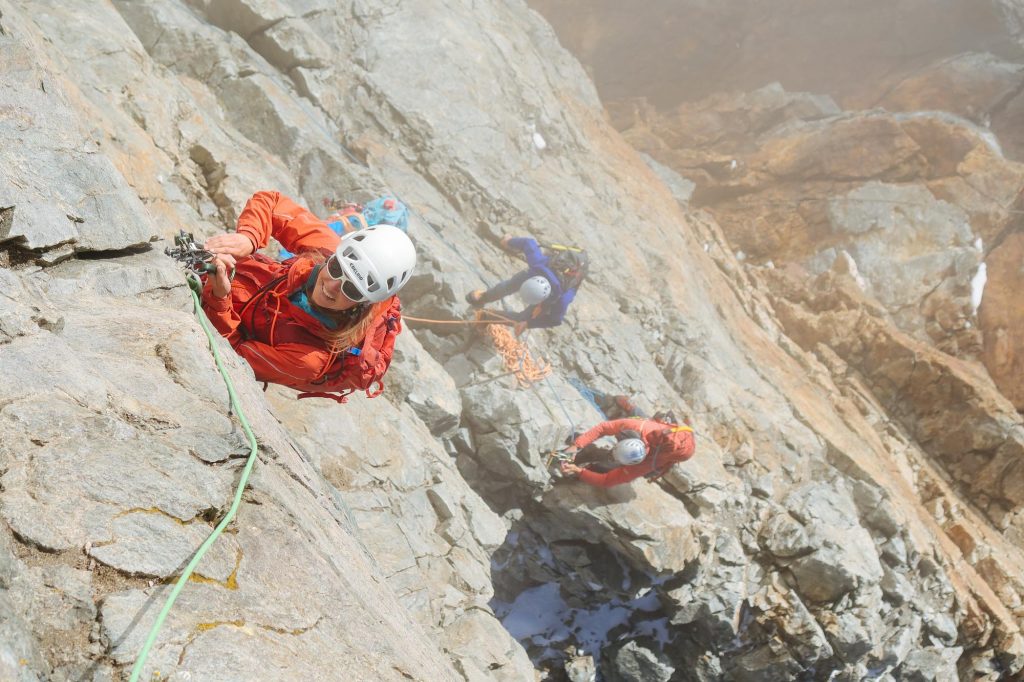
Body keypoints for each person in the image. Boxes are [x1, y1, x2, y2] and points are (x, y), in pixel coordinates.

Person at [200, 190, 416, 402]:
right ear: (335, 256)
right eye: (336, 268)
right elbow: (272, 202)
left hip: (223, 311)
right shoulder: (330, 251)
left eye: (350, 289)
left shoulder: (308, 359)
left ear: (362, 304)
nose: (332, 285)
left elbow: (233, 355)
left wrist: (219, 299)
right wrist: (249, 237)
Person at [465, 236, 586, 335]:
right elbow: (528, 242)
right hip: (542, 270)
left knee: (522, 319)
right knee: (510, 285)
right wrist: (509, 241)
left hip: (557, 288)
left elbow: (555, 320)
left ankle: (488, 316)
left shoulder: (563, 298)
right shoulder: (538, 263)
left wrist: (528, 324)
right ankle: (484, 296)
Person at [558, 416, 695, 488]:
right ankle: (629, 405)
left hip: (677, 452)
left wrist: (579, 471)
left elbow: (606, 481)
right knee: (637, 415)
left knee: (604, 468)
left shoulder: (643, 465)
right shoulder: (634, 425)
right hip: (659, 431)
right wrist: (576, 445)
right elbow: (603, 427)